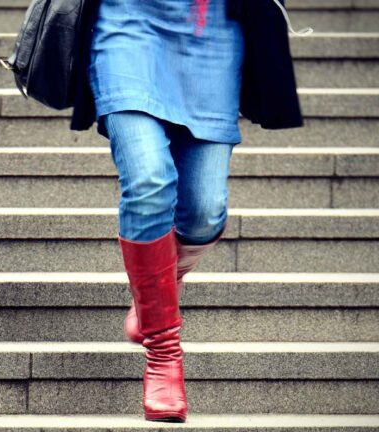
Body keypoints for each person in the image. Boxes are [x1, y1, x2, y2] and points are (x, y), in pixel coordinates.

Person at [81, 0, 308, 423]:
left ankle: (162, 282)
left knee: (205, 210)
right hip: (127, 22)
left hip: (213, 31)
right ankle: (164, 354)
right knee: (148, 181)